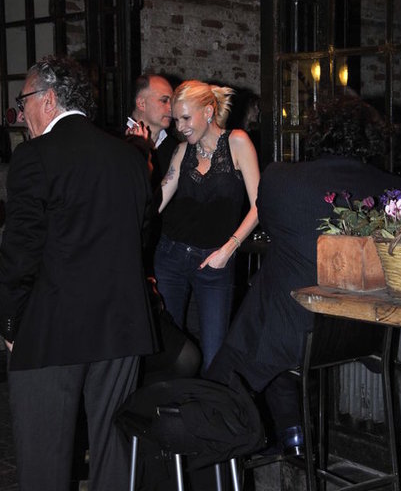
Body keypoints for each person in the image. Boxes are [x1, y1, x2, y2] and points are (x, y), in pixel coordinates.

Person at [207, 95, 401, 455]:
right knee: (277, 287)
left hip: (295, 332)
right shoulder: (392, 187)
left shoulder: (282, 179)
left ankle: (230, 454)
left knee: (221, 384)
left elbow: (269, 226)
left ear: (317, 133)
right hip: (363, 332)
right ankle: (293, 436)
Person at [0, 55, 158, 491]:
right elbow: (140, 237)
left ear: (49, 99)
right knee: (114, 461)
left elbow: (19, 253)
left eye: (24, 100)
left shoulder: (34, 157)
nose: (20, 113)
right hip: (120, 328)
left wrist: (10, 323)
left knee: (44, 464)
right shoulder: (129, 159)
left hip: (51, 330)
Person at [154, 79, 260, 373]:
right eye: (177, 120)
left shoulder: (237, 142)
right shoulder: (181, 151)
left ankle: (209, 404)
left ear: (209, 112)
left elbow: (260, 205)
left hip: (215, 262)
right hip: (171, 257)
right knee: (170, 353)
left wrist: (228, 249)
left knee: (214, 357)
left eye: (186, 118)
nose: (180, 127)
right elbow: (157, 202)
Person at [126, 73, 178, 189]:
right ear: (141, 104)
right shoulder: (113, 140)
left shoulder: (176, 148)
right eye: (164, 101)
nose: (171, 108)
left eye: (172, 102)